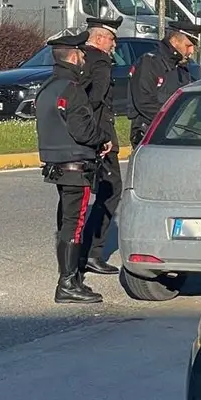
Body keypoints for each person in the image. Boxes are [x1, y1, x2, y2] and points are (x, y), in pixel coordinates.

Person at [35, 28, 114, 304]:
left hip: (56, 164)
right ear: (72, 56)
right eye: (81, 53)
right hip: (75, 165)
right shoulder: (73, 89)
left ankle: (72, 278)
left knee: (67, 222)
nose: (84, 57)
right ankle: (68, 283)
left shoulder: (47, 87)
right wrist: (103, 138)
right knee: (75, 224)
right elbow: (83, 130)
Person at [79, 16, 123, 276]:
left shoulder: (80, 58)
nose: (114, 44)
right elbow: (96, 102)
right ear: (98, 38)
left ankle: (81, 250)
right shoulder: (100, 62)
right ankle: (92, 252)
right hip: (100, 137)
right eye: (111, 39)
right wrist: (101, 137)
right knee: (110, 190)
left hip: (83, 135)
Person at [128, 20, 199, 146]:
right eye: (188, 45)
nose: (191, 51)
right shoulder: (150, 63)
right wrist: (171, 119)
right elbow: (144, 101)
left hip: (177, 133)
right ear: (174, 41)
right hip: (151, 133)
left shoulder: (181, 67)